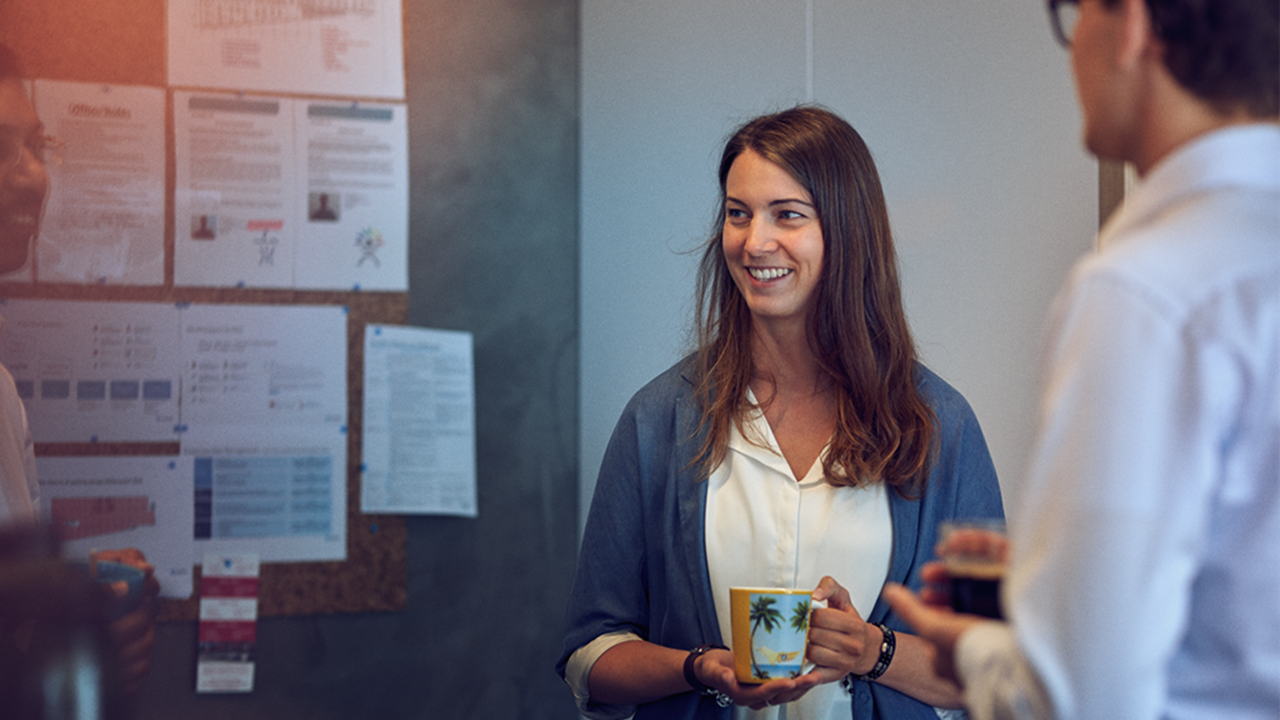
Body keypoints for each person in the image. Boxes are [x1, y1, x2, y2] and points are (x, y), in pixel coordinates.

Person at [884, 0, 1280, 717]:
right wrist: (1063, 581)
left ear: (1129, 24)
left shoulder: (1144, 291)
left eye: (1074, 14)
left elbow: (1082, 696)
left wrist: (972, 650)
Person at [558, 105, 1004, 720]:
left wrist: (872, 650)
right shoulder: (659, 418)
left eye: (787, 215)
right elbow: (589, 655)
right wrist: (698, 667)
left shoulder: (941, 427)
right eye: (738, 214)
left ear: (846, 232)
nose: (753, 242)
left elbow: (995, 668)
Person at [0, 41, 159, 699]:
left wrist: (74, 598)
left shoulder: (1, 391)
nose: (32, 175)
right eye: (0, 148)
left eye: (36, 145)